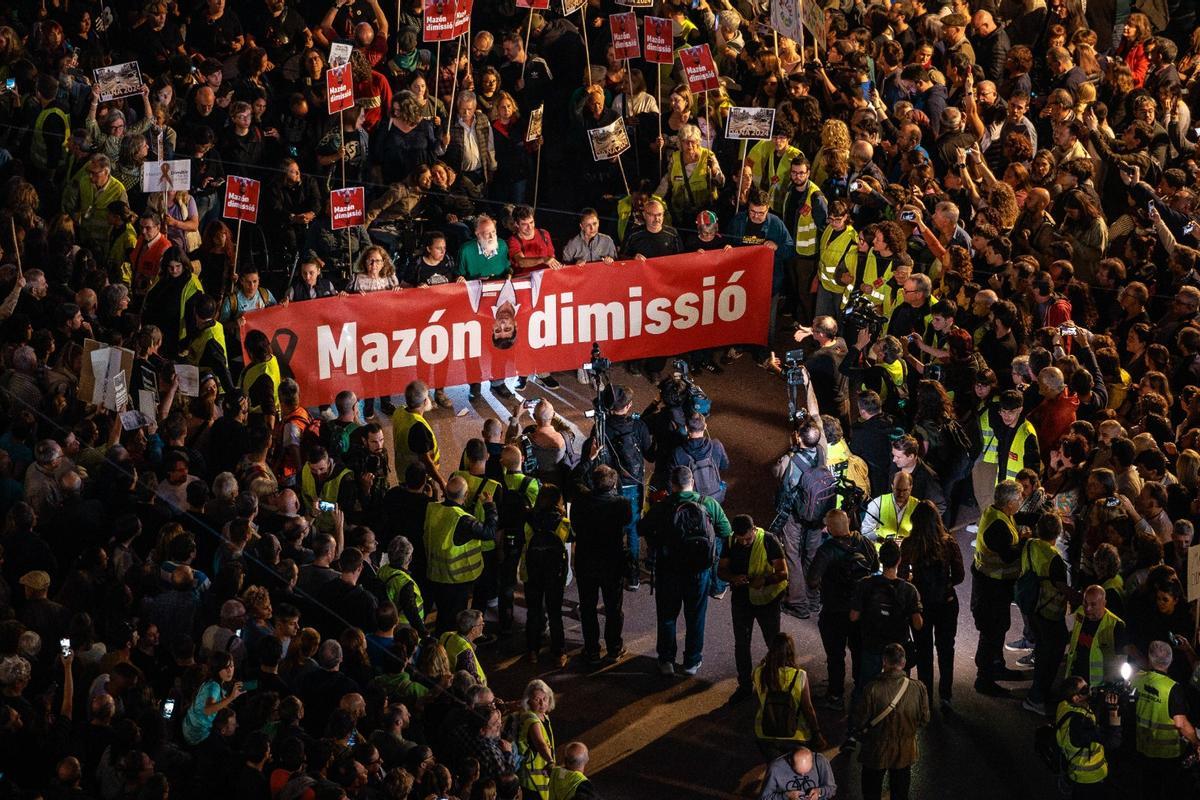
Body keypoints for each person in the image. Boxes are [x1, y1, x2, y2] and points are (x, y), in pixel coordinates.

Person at [638, 465, 732, 677]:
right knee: (696, 616)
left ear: (672, 485)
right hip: (699, 571)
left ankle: (666, 660)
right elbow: (726, 531)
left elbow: (641, 528)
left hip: (668, 570)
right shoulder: (708, 503)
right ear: (692, 482)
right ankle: (692, 661)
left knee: (667, 616)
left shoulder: (663, 506)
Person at [578, 384, 652, 589]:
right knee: (634, 530)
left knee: (614, 529)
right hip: (633, 485)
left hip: (611, 485)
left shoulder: (602, 427)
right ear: (628, 406)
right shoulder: (639, 426)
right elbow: (649, 454)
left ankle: (616, 571)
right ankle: (634, 576)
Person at [899, 501, 964, 711]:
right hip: (946, 604)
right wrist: (945, 584)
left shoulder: (909, 544)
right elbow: (960, 576)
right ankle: (946, 695)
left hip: (920, 606)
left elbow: (902, 576)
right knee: (946, 649)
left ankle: (925, 696)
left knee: (923, 650)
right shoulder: (949, 543)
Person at [718, 515, 787, 701]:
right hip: (742, 599)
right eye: (740, 540)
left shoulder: (769, 540)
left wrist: (764, 580)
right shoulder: (730, 541)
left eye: (748, 539)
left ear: (754, 529)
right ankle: (745, 685)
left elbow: (783, 572)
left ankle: (778, 683)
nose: (745, 543)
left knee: (773, 642)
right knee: (741, 643)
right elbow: (721, 570)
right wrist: (733, 578)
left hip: (768, 601)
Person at [848, 643, 929, 800]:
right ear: (903, 662)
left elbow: (860, 721)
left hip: (875, 750)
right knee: (900, 793)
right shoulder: (918, 688)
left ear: (884, 661)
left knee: (871, 792)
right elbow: (924, 719)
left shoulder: (872, 688)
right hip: (904, 751)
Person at [571, 465, 631, 666]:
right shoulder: (621, 503)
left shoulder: (581, 500)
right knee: (613, 607)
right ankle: (614, 648)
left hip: (586, 561)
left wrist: (588, 459)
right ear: (613, 484)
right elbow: (627, 521)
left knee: (588, 607)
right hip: (611, 563)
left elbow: (575, 479)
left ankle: (592, 650)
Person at [971, 480, 1027, 695]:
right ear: (1009, 503)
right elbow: (1008, 555)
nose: (1021, 501)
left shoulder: (998, 513)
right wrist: (1025, 541)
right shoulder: (998, 526)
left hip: (996, 586)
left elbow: (1020, 519)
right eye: (1019, 498)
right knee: (991, 633)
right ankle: (984, 679)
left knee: (999, 628)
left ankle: (997, 667)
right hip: (990, 588)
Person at [424, 476, 497, 631]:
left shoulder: (432, 508)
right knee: (453, 621)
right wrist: (489, 506)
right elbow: (489, 532)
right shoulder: (464, 520)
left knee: (443, 616)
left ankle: (441, 640)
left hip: (436, 575)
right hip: (456, 580)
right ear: (466, 496)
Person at [1130, 640, 1200, 799]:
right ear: (1171, 660)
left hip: (1144, 747)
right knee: (1169, 790)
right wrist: (1196, 742)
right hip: (1168, 754)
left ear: (1150, 659)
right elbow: (1180, 723)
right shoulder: (1173, 688)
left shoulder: (1138, 678)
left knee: (1148, 788)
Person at [850, 540, 923, 690]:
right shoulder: (909, 589)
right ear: (899, 560)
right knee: (898, 690)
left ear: (880, 559)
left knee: (867, 688)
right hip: (898, 648)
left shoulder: (865, 584)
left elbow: (853, 616)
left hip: (872, 644)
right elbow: (918, 624)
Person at [1020, 513, 1071, 716]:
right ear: (1058, 533)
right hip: (1050, 612)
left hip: (1033, 607)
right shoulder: (1054, 558)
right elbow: (1061, 586)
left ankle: (1038, 693)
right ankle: (1036, 697)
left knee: (1042, 651)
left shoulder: (1030, 545)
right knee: (1051, 655)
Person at [752, 632, 825, 762]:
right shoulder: (799, 675)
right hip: (796, 735)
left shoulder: (759, 672)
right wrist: (817, 733)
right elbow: (808, 709)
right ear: (791, 653)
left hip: (766, 733)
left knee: (775, 765)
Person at [1055, 676, 1122, 799]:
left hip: (1076, 774)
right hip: (1089, 778)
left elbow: (1089, 709)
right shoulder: (1081, 724)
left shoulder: (1064, 706)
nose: (1090, 690)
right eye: (1085, 690)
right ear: (1076, 698)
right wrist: (1113, 712)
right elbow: (1113, 741)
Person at [1064, 585, 1127, 687]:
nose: (1088, 608)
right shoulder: (1080, 613)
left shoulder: (1115, 625)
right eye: (1085, 603)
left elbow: (1120, 661)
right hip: (1075, 678)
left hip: (1097, 685)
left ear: (1104, 603)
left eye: (1093, 604)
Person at [392, 380, 447, 495]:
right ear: (425, 401)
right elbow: (426, 461)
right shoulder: (418, 427)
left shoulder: (399, 411)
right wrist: (441, 481)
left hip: (403, 473)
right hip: (419, 480)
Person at [758, 745, 836, 800]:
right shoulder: (775, 768)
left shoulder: (820, 761)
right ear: (790, 761)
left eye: (808, 771)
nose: (803, 775)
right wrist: (786, 796)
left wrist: (820, 792)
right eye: (798, 772)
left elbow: (832, 789)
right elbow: (764, 798)